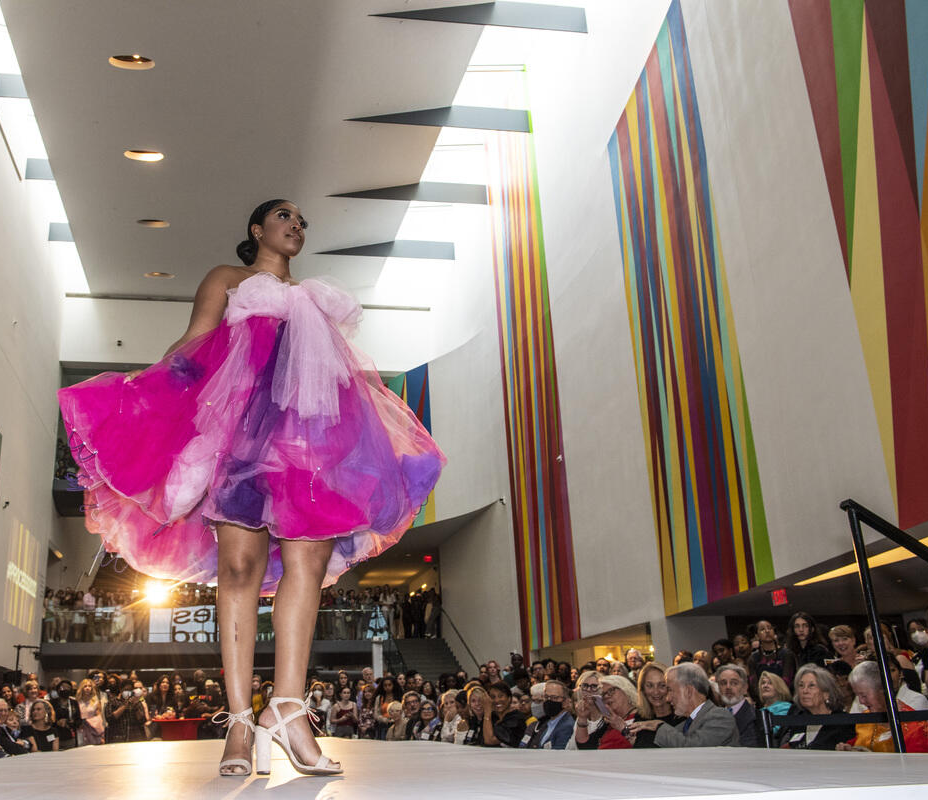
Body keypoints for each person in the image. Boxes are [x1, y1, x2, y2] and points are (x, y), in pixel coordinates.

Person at [58, 199, 445, 778]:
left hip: (313, 448)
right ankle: (239, 723)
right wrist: (148, 396)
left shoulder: (317, 297)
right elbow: (194, 343)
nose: (297, 225)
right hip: (241, 440)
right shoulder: (229, 279)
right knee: (239, 568)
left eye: (302, 221)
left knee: (308, 569)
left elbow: (333, 377)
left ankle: (288, 712)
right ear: (257, 229)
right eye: (284, 216)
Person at [629, 663, 739, 747]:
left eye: (670, 690)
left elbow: (692, 748)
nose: (668, 698)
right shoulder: (685, 724)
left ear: (688, 691)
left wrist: (659, 726)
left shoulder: (720, 716)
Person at [839, 660, 928, 753]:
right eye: (857, 696)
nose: (861, 701)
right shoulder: (866, 719)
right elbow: (860, 742)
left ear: (883, 690)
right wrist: (848, 749)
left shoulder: (915, 727)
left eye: (864, 695)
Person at [776, 664, 853, 750]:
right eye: (801, 685)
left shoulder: (843, 723)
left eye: (811, 686)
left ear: (826, 693)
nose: (804, 691)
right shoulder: (798, 721)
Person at [633, 662, 682, 748]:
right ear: (643, 689)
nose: (656, 692)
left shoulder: (682, 717)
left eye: (662, 686)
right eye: (650, 686)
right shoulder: (640, 717)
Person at [715, 664, 761, 747]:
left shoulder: (755, 717)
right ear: (718, 688)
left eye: (734, 683)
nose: (728, 687)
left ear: (745, 688)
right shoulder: (714, 717)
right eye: (723, 683)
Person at [520, 681, 574, 749]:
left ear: (566, 702)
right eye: (546, 697)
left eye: (554, 697)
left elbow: (559, 755)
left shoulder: (566, 726)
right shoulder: (547, 723)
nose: (549, 700)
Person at [747, 620, 797, 693]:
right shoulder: (753, 658)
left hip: (784, 696)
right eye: (762, 629)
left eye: (770, 628)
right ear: (757, 636)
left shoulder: (786, 654)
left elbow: (787, 680)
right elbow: (753, 684)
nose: (767, 631)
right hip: (763, 698)